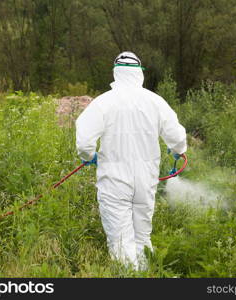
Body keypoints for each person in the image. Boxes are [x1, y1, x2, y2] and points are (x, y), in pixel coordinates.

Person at [76, 51, 187, 270]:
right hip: (146, 181)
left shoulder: (104, 102)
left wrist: (89, 157)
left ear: (116, 73)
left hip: (115, 181)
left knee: (120, 240)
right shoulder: (155, 101)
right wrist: (177, 150)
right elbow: (177, 136)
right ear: (140, 74)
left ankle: (128, 280)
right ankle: (146, 275)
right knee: (142, 236)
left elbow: (84, 142)